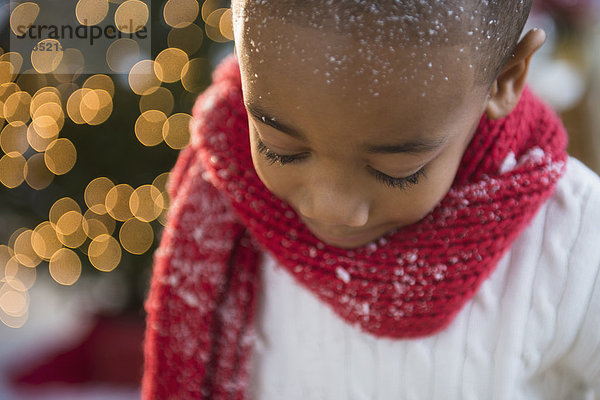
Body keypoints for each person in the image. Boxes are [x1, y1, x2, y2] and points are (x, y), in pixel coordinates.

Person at [142, 1, 600, 399]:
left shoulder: (575, 238)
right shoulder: (222, 188)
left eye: (395, 171)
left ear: (505, 79)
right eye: (279, 148)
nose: (330, 207)